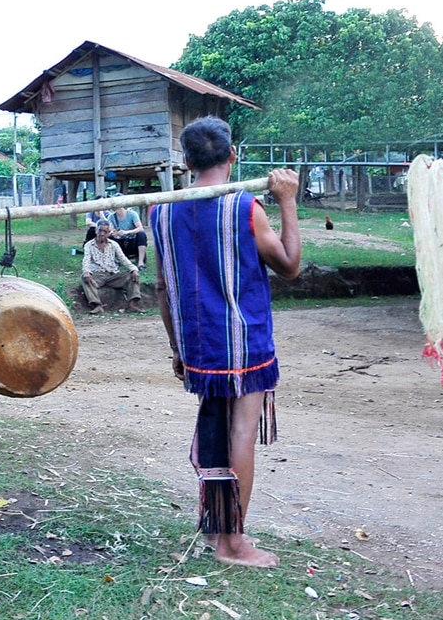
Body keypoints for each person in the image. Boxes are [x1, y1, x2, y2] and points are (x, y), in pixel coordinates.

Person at [150, 117, 301, 568]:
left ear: (187, 161)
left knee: (218, 432)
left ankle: (220, 529)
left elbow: (162, 288)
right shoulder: (244, 208)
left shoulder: (159, 211)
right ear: (232, 155)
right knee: (238, 435)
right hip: (244, 346)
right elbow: (290, 265)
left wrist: (178, 348)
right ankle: (232, 543)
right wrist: (288, 203)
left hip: (197, 345)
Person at [81, 219, 141, 313]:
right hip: (97, 275)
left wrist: (134, 269)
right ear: (96, 230)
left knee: (132, 275)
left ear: (109, 233)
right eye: (100, 230)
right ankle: (97, 305)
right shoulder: (89, 245)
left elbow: (123, 259)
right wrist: (86, 272)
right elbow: (86, 260)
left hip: (113, 275)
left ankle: (132, 304)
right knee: (85, 278)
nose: (102, 234)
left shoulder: (114, 244)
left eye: (105, 231)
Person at [110, 204, 149, 269]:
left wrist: (126, 232)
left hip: (132, 241)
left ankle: (141, 262)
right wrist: (113, 233)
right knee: (110, 238)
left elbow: (140, 228)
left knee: (141, 234)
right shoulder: (111, 217)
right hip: (120, 243)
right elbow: (110, 230)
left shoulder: (132, 214)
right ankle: (115, 260)